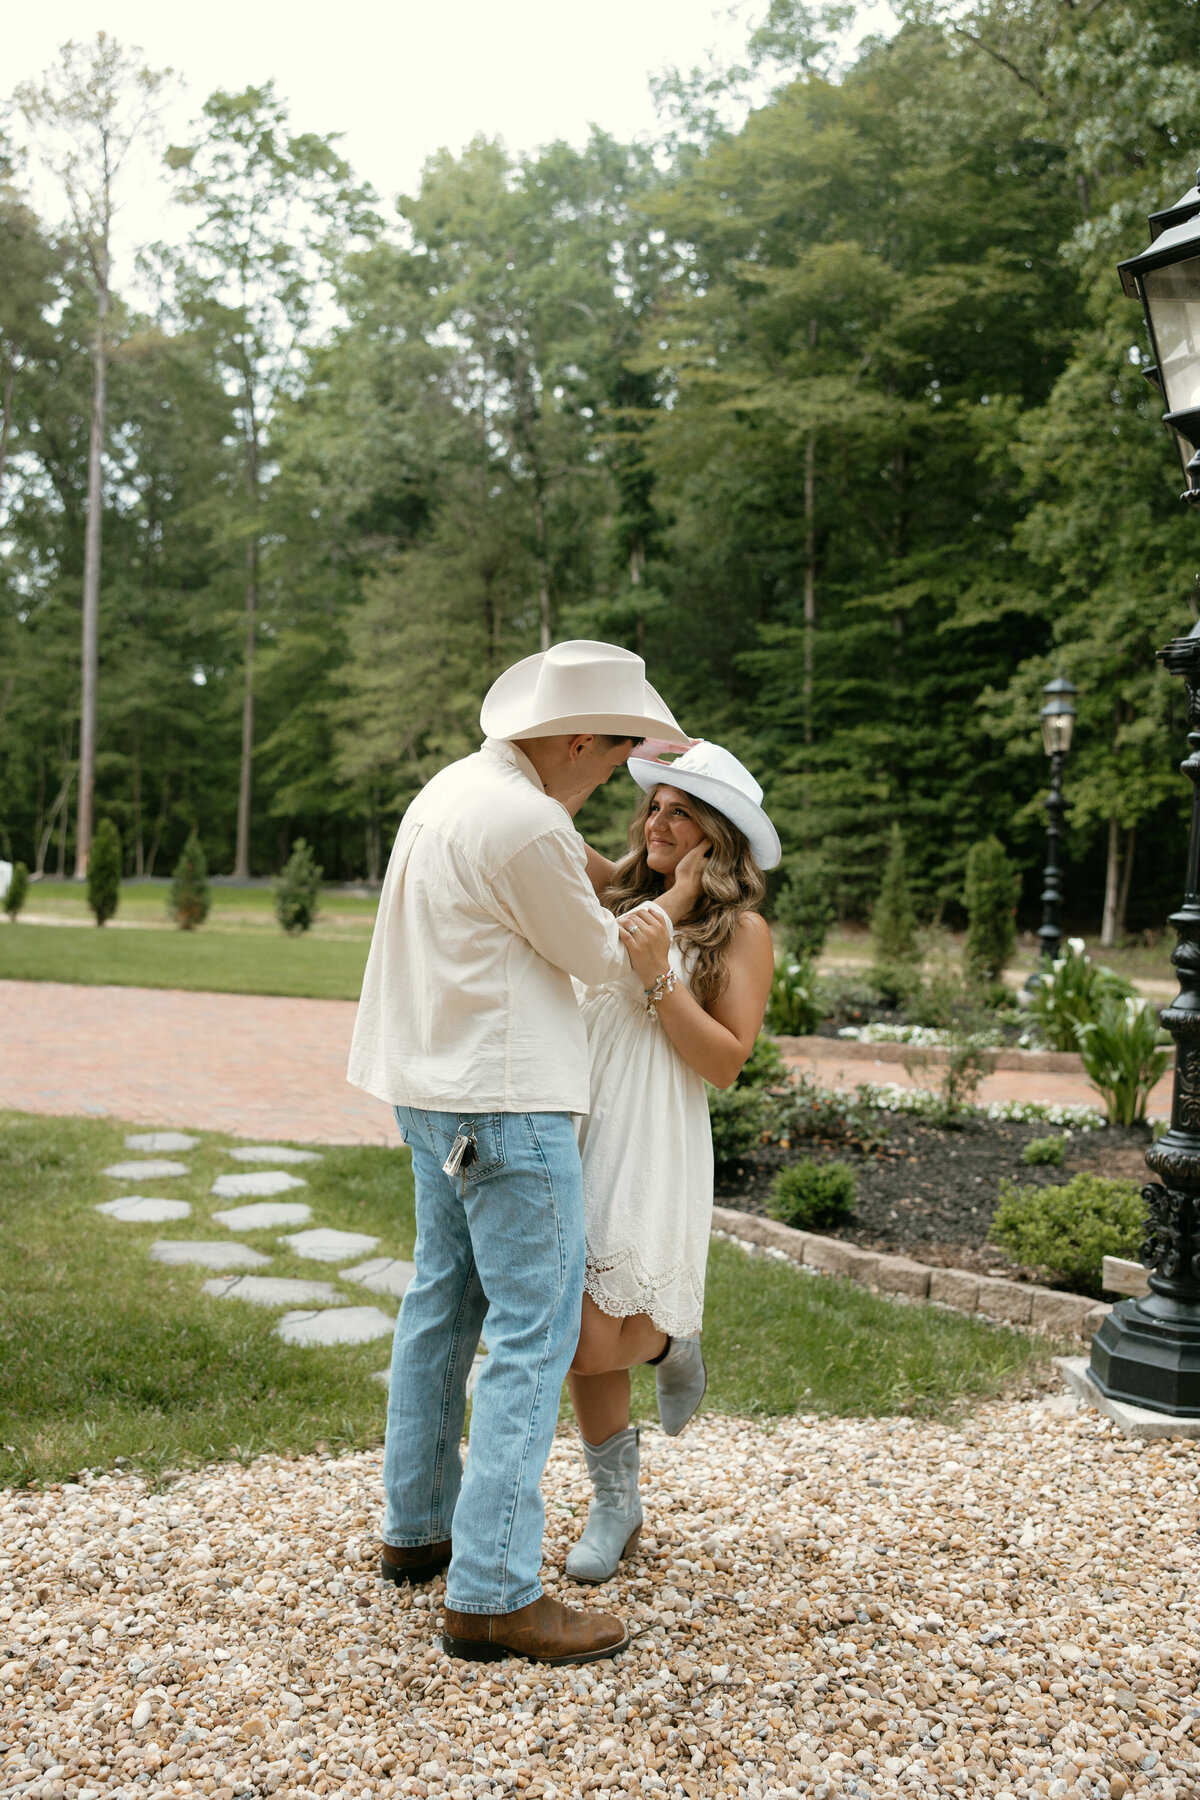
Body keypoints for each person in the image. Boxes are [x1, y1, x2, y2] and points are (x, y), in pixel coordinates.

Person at [346, 639, 690, 1665]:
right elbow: (601, 959)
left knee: (439, 1309)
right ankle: (493, 1591)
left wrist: (607, 873)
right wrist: (669, 913)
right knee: (533, 1342)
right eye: (616, 754)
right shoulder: (529, 823)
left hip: (428, 1090)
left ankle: (417, 1532)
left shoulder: (455, 789)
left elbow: (541, 892)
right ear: (580, 737)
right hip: (505, 1106)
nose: (616, 777)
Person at [563, 742, 779, 1583]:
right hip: (574, 1118)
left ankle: (665, 1344)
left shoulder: (743, 933)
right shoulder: (618, 893)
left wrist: (661, 976)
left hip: (652, 1131)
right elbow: (542, 824)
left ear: (715, 836)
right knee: (576, 1327)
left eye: (679, 810)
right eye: (653, 805)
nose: (657, 820)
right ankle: (617, 1498)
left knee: (587, 1335)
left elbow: (725, 1062)